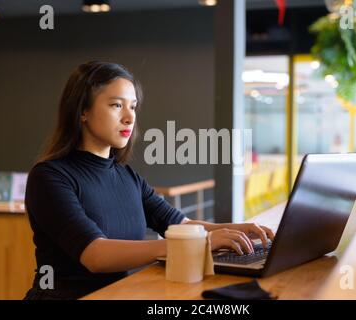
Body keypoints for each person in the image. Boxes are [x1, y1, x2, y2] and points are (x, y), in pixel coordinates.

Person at [23, 61, 275, 300]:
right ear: (83, 111)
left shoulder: (126, 175)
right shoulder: (49, 177)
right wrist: (196, 244)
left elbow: (180, 224)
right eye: (116, 105)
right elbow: (95, 255)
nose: (129, 117)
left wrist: (240, 229)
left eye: (132, 106)